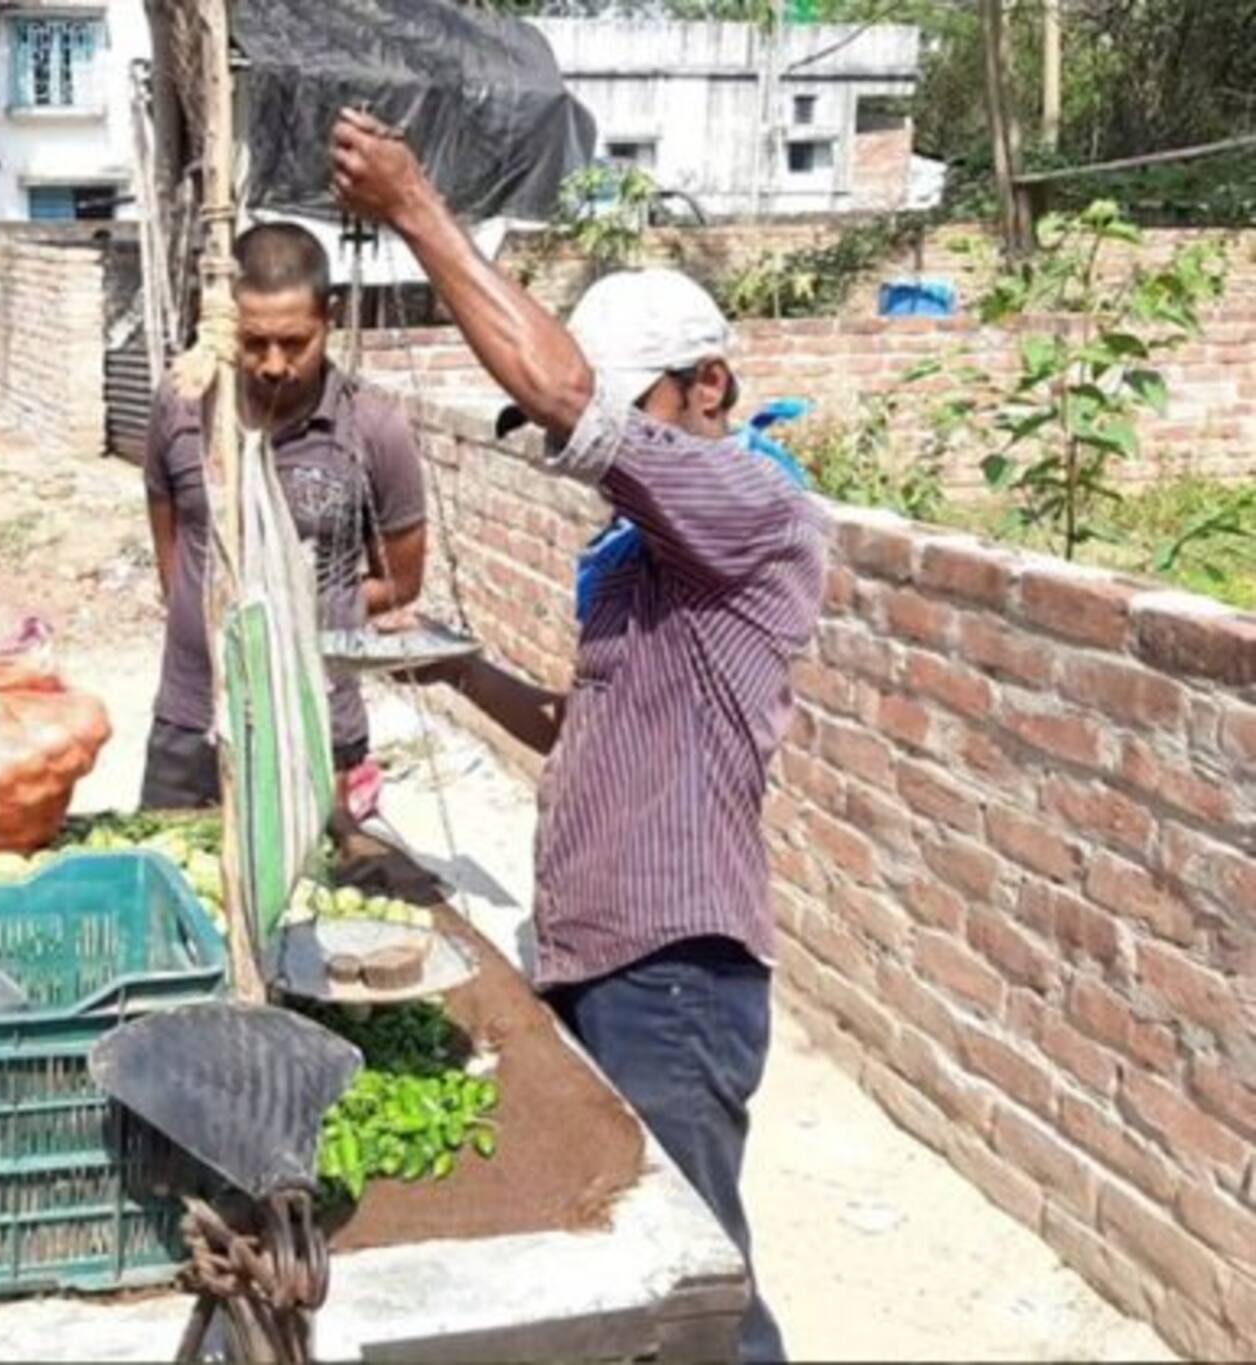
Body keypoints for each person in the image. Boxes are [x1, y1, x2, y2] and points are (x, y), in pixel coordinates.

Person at [333, 110, 826, 1364]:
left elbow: (562, 392)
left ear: (706, 385)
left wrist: (413, 209)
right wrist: (455, 667)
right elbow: (581, 729)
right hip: (608, 956)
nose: (583, 454)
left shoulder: (748, 502)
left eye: (632, 415)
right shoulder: (640, 558)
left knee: (691, 1295)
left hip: (673, 971)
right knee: (657, 1275)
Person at [141, 220, 429, 811]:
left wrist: (301, 614)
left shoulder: (373, 428)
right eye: (254, 342)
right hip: (191, 721)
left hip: (317, 727)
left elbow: (403, 579)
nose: (274, 365)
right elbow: (171, 546)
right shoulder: (184, 404)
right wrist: (211, 614)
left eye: (296, 343)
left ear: (329, 317)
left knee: (316, 895)